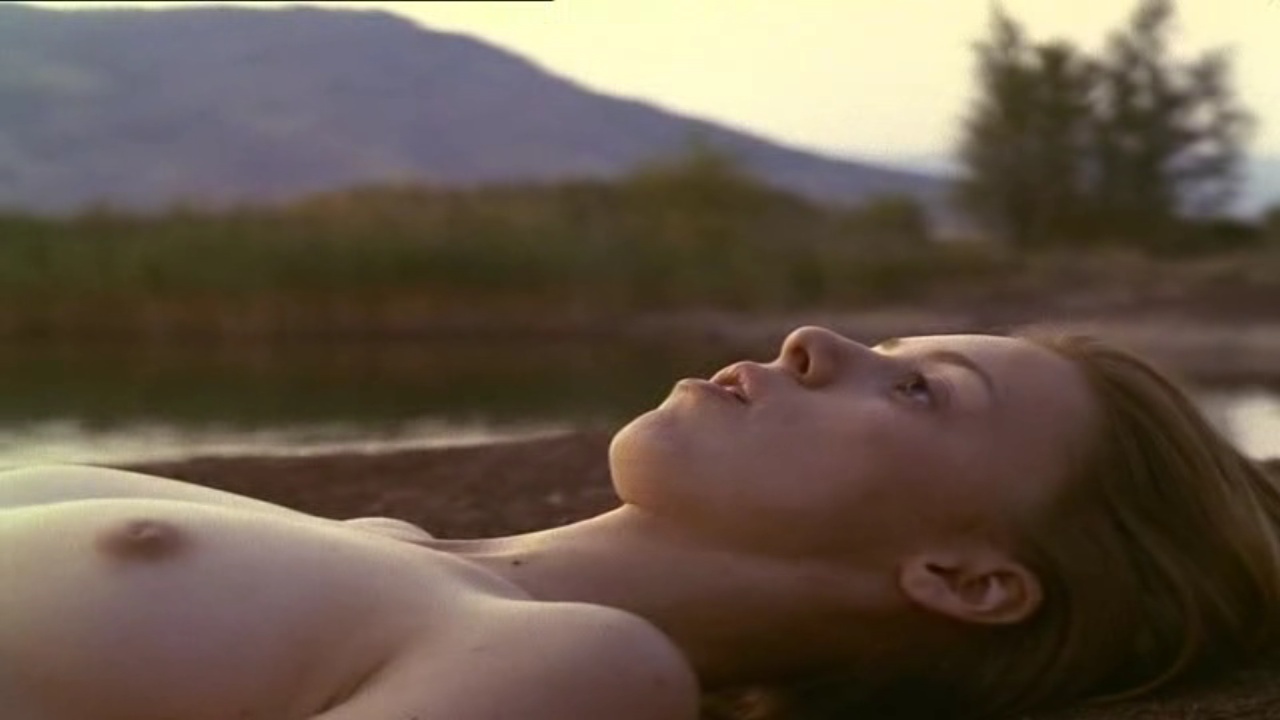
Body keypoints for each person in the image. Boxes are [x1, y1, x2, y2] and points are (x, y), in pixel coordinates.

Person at [0, 325, 1276, 720]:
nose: (814, 340)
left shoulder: (579, 665)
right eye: (886, 348)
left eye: (918, 390)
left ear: (961, 576)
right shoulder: (401, 554)